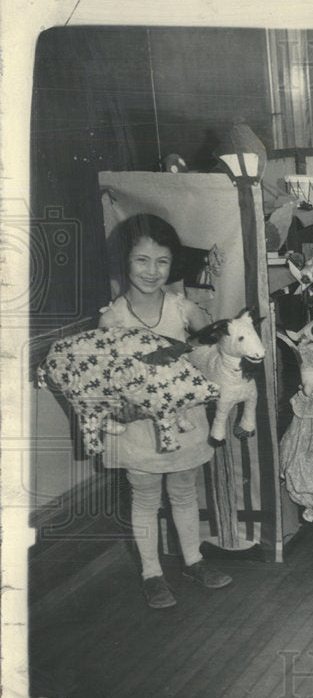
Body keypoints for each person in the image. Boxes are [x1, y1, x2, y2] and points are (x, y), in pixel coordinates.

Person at [99, 213, 232, 609]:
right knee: (144, 497)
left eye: (162, 262)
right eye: (142, 260)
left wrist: (212, 291)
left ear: (172, 265)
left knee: (183, 490)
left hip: (183, 418)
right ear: (125, 261)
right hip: (140, 424)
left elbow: (215, 343)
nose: (152, 271)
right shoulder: (113, 318)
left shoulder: (182, 309)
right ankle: (151, 573)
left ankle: (193, 560)